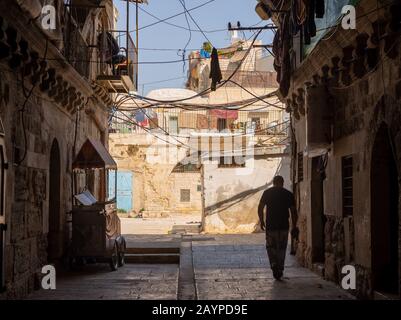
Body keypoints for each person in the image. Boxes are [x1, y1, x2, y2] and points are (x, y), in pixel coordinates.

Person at [258, 175, 298, 280]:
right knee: (282, 248)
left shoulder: (267, 193)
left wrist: (261, 220)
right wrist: (294, 225)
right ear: (283, 183)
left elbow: (260, 207)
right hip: (284, 226)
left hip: (271, 226)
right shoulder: (288, 194)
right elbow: (293, 211)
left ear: (274, 182)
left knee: (271, 247)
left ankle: (274, 263)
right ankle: (280, 269)